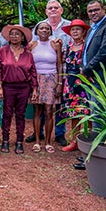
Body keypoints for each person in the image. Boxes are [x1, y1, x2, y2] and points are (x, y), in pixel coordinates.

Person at [76, 0, 106, 170]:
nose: (93, 13)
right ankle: (94, 155)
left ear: (104, 9)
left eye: (96, 10)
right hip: (92, 78)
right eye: (90, 11)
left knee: (99, 118)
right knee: (95, 116)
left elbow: (105, 52)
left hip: (103, 79)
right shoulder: (93, 28)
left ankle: (98, 157)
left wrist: (86, 69)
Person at [26, 0, 71, 146]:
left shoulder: (69, 26)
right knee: (40, 106)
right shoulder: (40, 26)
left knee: (58, 106)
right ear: (46, 11)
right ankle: (39, 133)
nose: (52, 10)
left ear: (61, 10)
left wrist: (60, 80)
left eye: (55, 8)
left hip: (61, 72)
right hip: (39, 75)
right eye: (50, 8)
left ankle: (59, 133)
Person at [0, 24, 37, 154]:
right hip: (8, 86)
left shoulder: (28, 54)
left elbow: (33, 72)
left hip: (23, 87)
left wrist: (34, 89)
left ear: (22, 37)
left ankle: (19, 141)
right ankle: (5, 140)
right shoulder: (3, 51)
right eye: (12, 34)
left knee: (20, 114)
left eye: (17, 34)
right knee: (7, 114)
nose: (14, 36)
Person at [29, 22, 62, 154]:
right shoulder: (32, 45)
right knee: (37, 110)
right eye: (41, 28)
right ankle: (37, 140)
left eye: (47, 28)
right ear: (36, 31)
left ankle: (48, 142)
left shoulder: (56, 44)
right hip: (36, 79)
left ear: (50, 31)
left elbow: (59, 64)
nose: (44, 30)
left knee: (49, 110)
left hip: (51, 78)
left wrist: (60, 83)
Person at [59, 19, 91, 153]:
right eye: (73, 29)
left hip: (84, 82)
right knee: (73, 113)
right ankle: (74, 141)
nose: (75, 32)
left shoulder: (87, 47)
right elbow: (60, 62)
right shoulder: (67, 47)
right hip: (70, 82)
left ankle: (88, 141)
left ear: (84, 32)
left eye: (78, 29)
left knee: (87, 112)